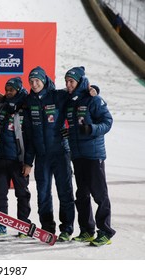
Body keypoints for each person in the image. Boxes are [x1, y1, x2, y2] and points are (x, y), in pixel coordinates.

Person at [64, 66, 115, 246]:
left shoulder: (94, 99)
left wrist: (92, 129)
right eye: (67, 81)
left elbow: (108, 122)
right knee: (82, 194)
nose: (68, 85)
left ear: (79, 82)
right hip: (77, 155)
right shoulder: (69, 100)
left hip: (93, 154)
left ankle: (106, 231)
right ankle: (87, 230)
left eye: (71, 81)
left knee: (99, 194)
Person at [23, 66, 75, 242]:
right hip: (42, 156)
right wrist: (28, 161)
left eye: (37, 80)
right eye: (31, 81)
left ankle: (67, 228)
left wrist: (94, 90)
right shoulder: (29, 101)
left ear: (44, 80)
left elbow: (78, 95)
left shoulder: (57, 96)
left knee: (65, 191)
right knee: (43, 193)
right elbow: (29, 134)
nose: (34, 83)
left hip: (60, 153)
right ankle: (47, 227)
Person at [0, 77, 31, 237]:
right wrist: (4, 98)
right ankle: (1, 225)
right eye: (6, 89)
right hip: (1, 157)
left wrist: (28, 162)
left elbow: (30, 139)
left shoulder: (26, 106)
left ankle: (23, 226)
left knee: (22, 194)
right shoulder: (3, 104)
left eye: (11, 90)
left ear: (18, 90)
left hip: (18, 159)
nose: (8, 92)